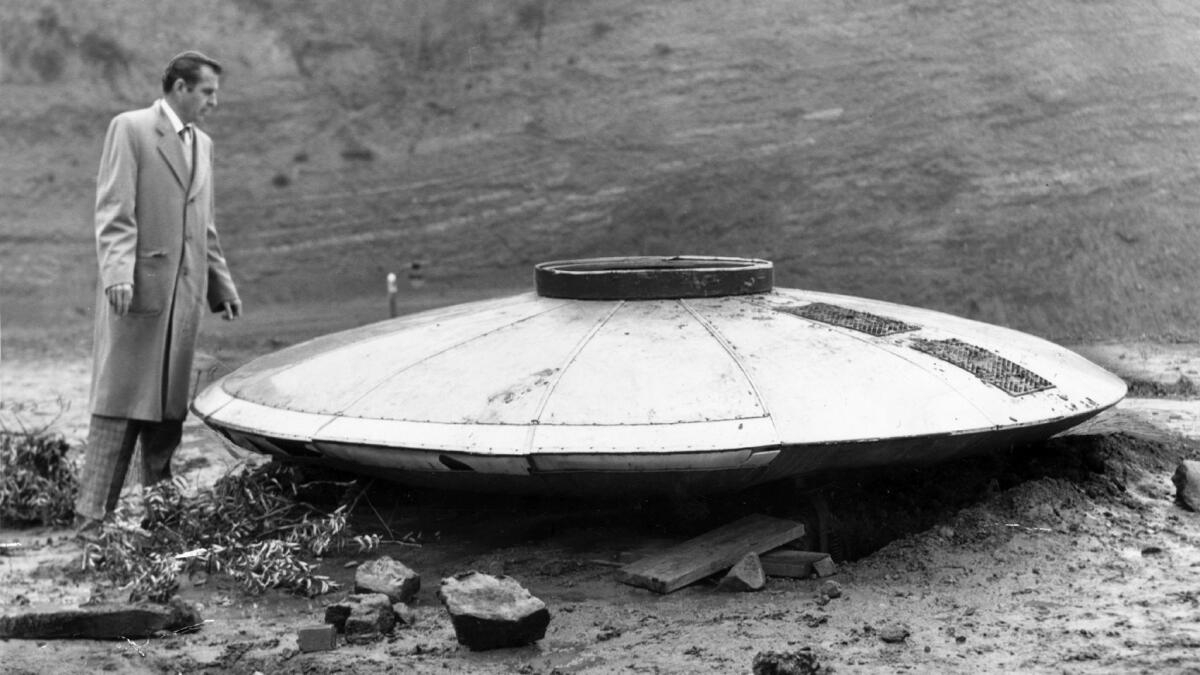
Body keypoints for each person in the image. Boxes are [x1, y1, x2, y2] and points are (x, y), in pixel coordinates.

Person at [74, 51, 242, 533]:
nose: (215, 101)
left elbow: (203, 226)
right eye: (208, 91)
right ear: (180, 88)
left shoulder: (203, 145)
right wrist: (118, 274)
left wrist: (220, 286)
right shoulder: (129, 128)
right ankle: (91, 524)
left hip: (183, 301)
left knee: (168, 414)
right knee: (118, 409)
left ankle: (162, 515)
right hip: (137, 296)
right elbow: (114, 209)